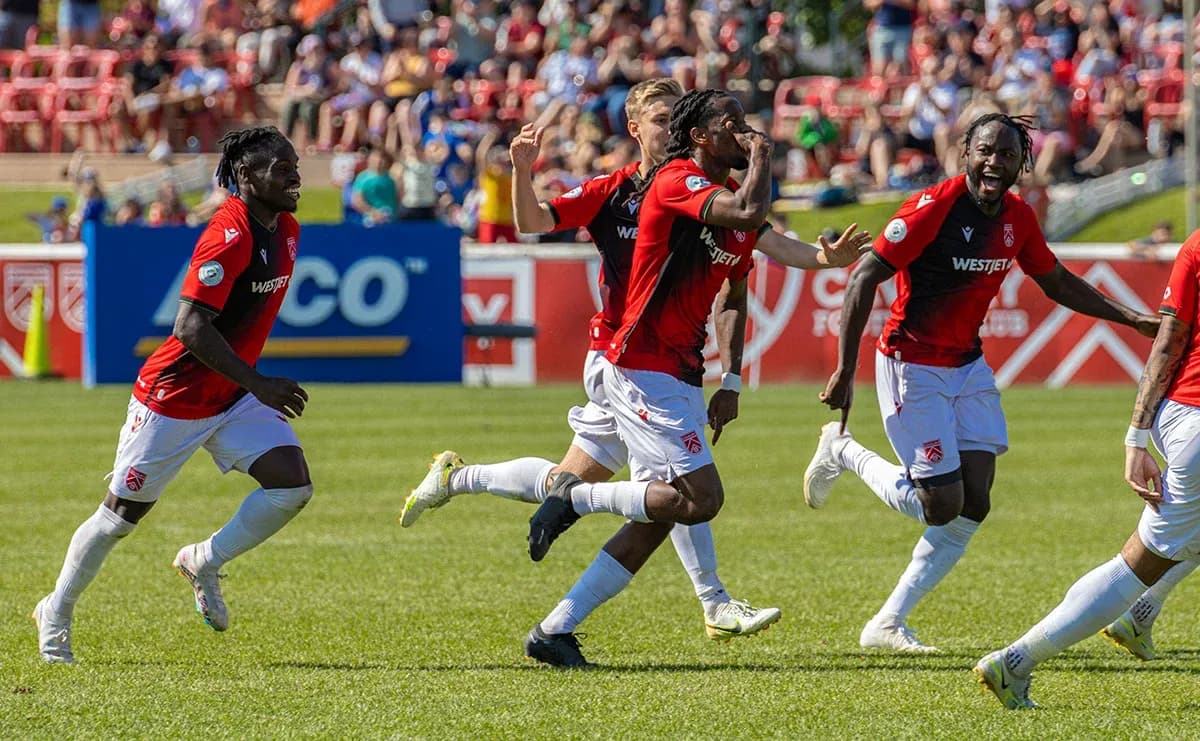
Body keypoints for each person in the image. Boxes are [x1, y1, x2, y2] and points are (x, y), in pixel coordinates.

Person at [402, 82, 869, 667]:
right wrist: (523, 171)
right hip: (626, 358)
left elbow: (760, 255)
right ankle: (710, 599)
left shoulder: (713, 195)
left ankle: (486, 513)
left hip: (668, 364)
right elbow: (532, 221)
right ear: (636, 127)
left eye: (675, 115)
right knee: (684, 496)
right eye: (659, 117)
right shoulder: (636, 188)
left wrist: (821, 264)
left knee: (652, 504)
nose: (667, 126)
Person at [802, 113, 1160, 654]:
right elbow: (861, 278)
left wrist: (1131, 318)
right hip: (911, 364)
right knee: (940, 505)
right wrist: (843, 370)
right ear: (966, 152)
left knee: (976, 502)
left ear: (1022, 164)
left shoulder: (1016, 216)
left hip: (967, 367)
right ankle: (844, 450)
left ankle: (886, 624)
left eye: (1008, 155)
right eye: (986, 151)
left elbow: (1056, 280)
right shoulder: (933, 207)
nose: (995, 162)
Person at [32, 127, 311, 664]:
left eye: (294, 164)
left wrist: (247, 385)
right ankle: (56, 610)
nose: (294, 175)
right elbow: (190, 326)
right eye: (281, 168)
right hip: (172, 398)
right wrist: (260, 383)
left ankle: (204, 560)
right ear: (247, 177)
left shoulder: (288, 228)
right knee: (118, 519)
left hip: (229, 397)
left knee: (291, 486)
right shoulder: (228, 234)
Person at [974, 227, 1200, 709]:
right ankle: (1014, 662)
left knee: (1177, 545)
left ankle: (1138, 616)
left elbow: (1169, 342)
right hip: (1195, 423)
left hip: (1179, 415)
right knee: (1139, 562)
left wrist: (1139, 434)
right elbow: (1168, 340)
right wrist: (1134, 440)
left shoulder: (1197, 243)